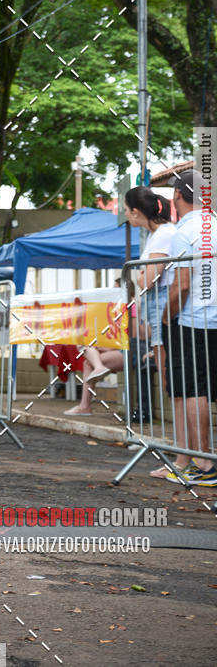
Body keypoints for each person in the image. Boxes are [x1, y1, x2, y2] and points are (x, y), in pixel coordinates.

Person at [161, 169, 217, 487]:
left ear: (177, 197)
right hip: (213, 317)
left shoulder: (184, 232)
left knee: (195, 390)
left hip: (192, 319)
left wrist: (167, 315)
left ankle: (205, 463)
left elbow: (181, 285)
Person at [123, 186, 179, 475]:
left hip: (164, 315)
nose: (126, 215)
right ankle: (183, 456)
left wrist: (138, 275)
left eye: (126, 210)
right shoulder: (158, 235)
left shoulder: (165, 234)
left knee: (177, 387)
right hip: (158, 315)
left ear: (136, 211)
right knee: (174, 388)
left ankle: (186, 457)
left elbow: (148, 277)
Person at [64, 345, 124, 416]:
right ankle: (98, 366)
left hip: (130, 350)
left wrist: (111, 347)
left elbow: (134, 340)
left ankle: (84, 406)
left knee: (89, 362)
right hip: (120, 348)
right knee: (86, 351)